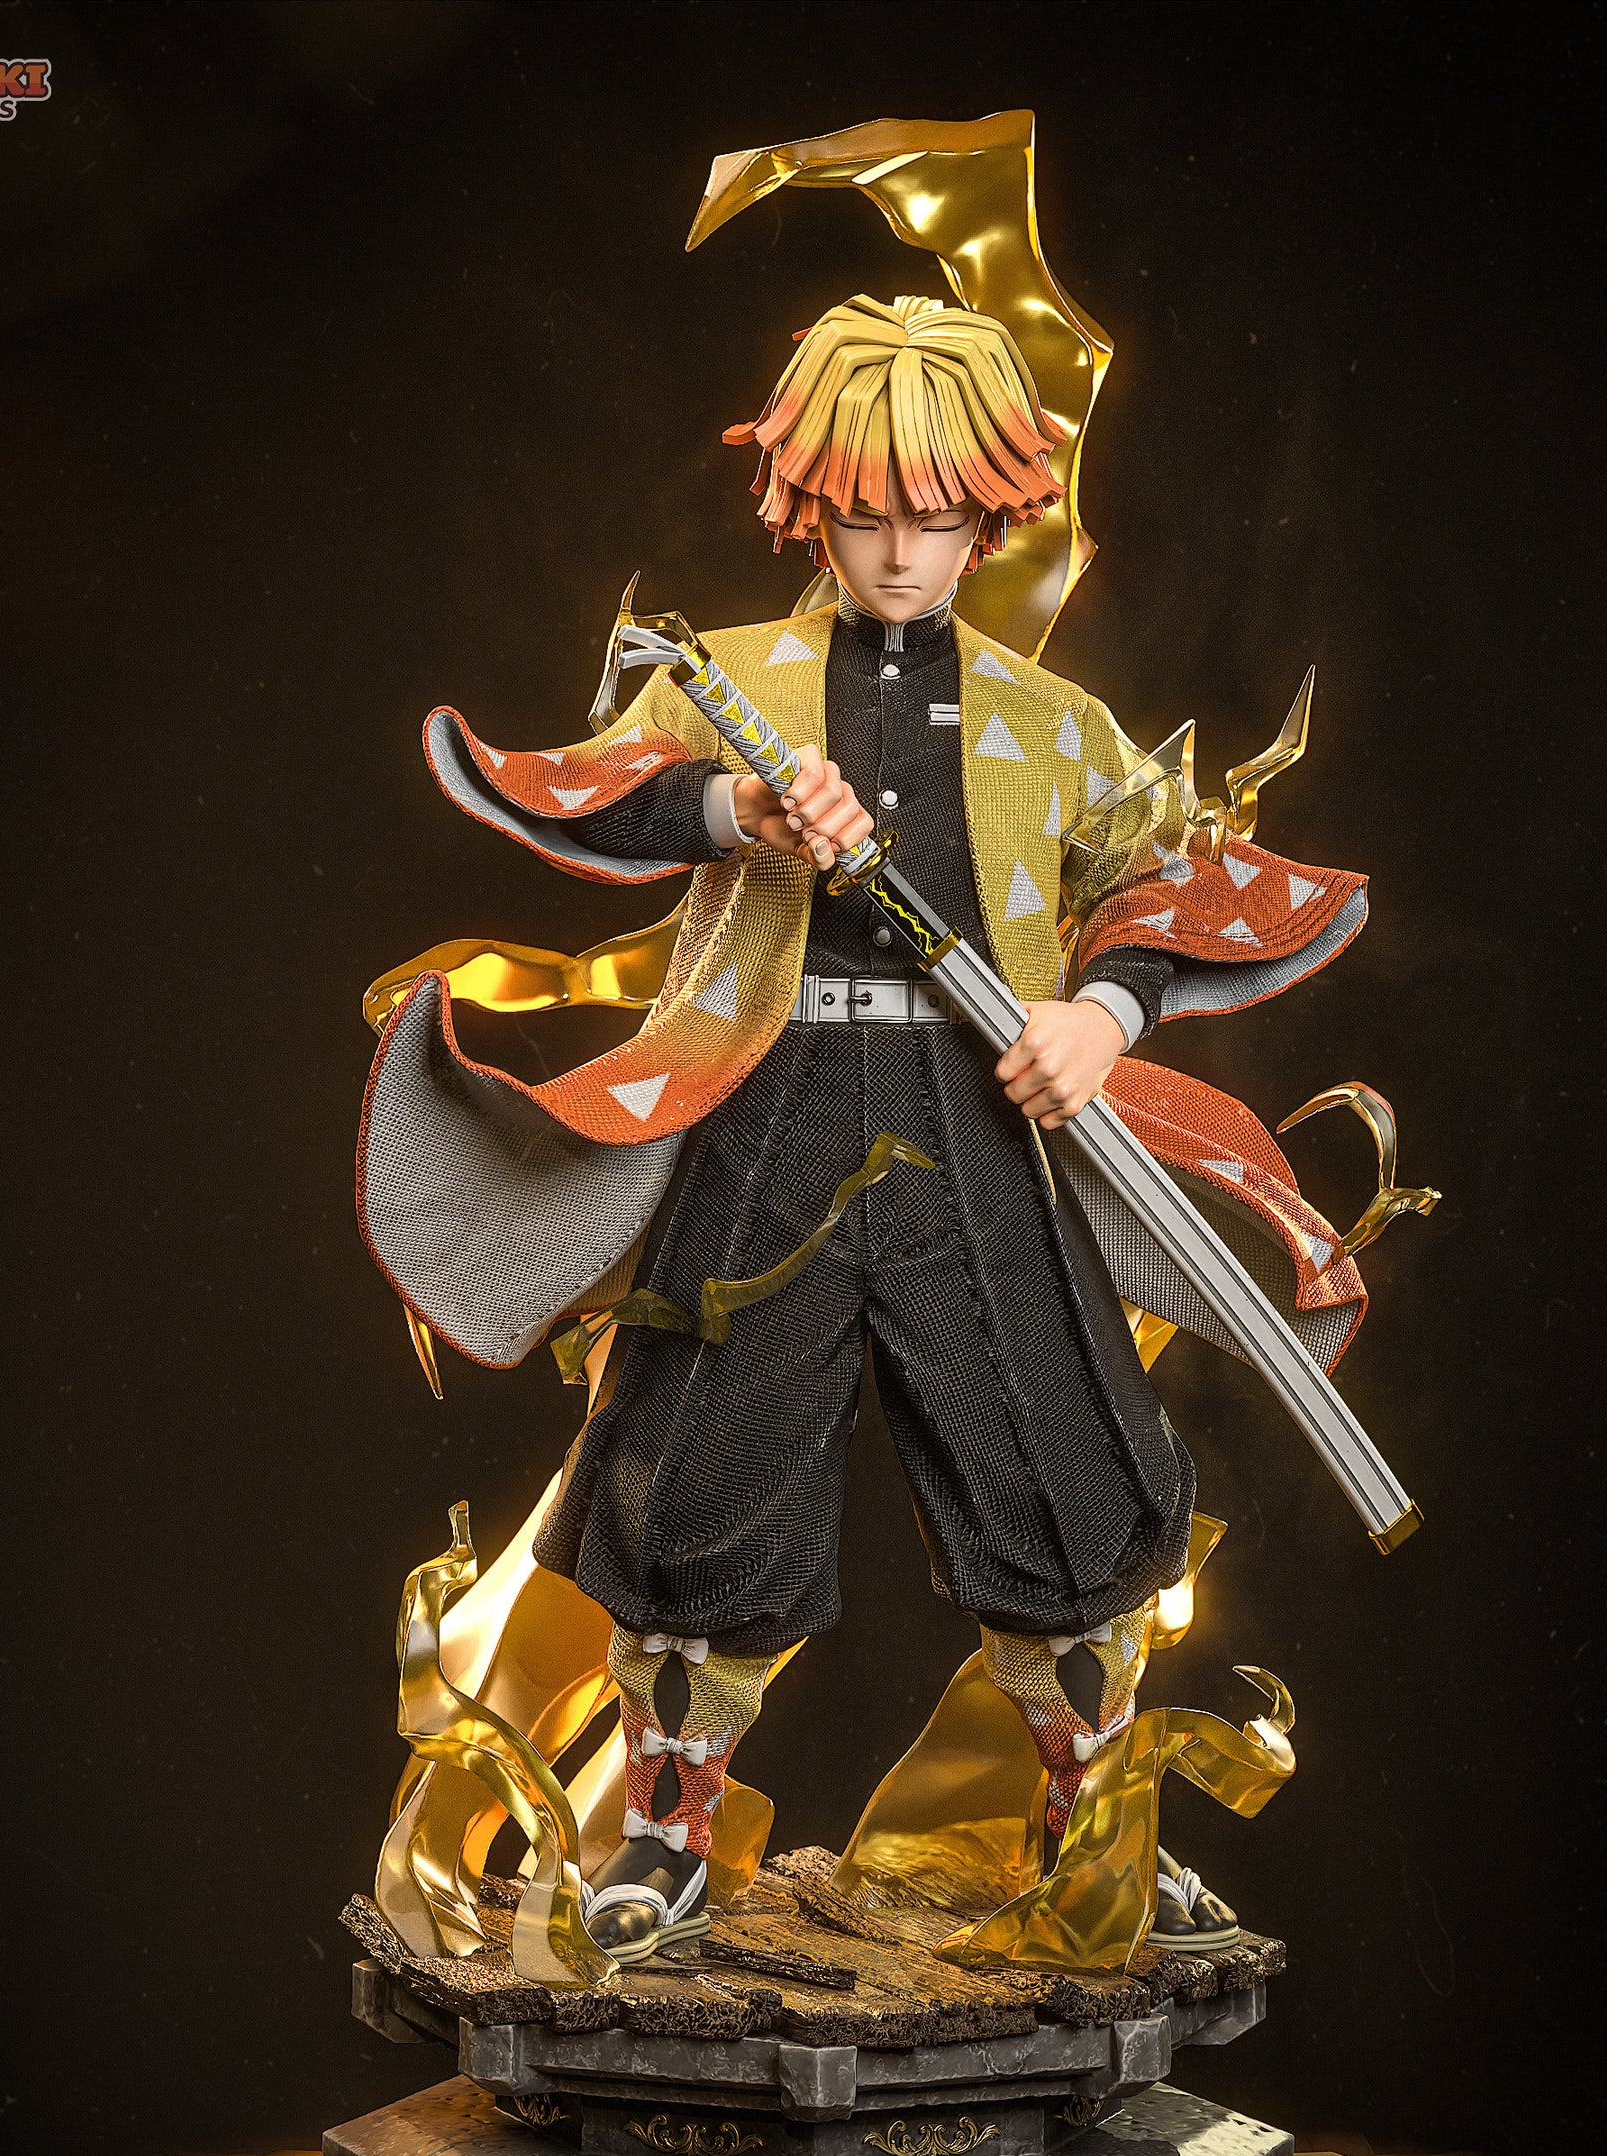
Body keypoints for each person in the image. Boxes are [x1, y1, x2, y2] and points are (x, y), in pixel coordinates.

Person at [357, 294, 1370, 1964]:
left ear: (992, 514)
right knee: (697, 1470)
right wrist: (730, 806)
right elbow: (592, 786)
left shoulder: (1055, 724)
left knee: (1063, 1471)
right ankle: (663, 1833)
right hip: (768, 1121)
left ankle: (1097, 1830)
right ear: (808, 504)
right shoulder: (728, 685)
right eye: (868, 513)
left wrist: (1097, 1016)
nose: (901, 553)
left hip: (986, 1120)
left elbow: (1161, 876)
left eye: (937, 517)